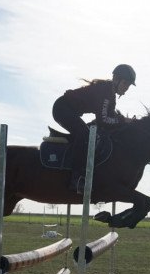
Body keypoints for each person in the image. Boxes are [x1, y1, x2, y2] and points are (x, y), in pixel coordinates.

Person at [52, 64, 136, 194]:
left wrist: (125, 121)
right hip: (62, 109)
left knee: (88, 132)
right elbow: (104, 120)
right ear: (116, 79)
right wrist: (123, 120)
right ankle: (76, 179)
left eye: (128, 85)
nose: (126, 88)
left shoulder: (110, 95)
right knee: (85, 135)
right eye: (125, 83)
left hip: (69, 111)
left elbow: (109, 118)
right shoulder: (105, 91)